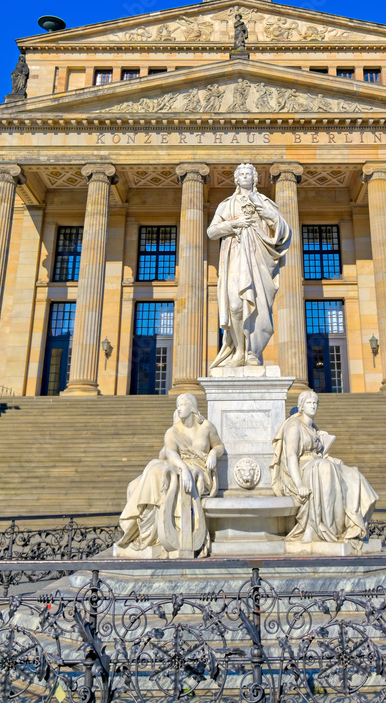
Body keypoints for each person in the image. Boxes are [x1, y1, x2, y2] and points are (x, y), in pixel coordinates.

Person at [117, 393, 224, 554]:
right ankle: (148, 534)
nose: (178, 408)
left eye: (181, 405)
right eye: (177, 405)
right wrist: (184, 469)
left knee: (158, 470)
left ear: (191, 407)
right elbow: (171, 453)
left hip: (200, 471)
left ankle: (169, 534)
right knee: (146, 475)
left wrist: (213, 454)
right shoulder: (172, 431)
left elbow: (219, 446)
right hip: (181, 467)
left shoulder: (206, 427)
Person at [207, 163, 290, 367]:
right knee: (235, 305)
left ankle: (252, 352)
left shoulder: (263, 201)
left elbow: (282, 228)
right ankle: (239, 352)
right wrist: (233, 224)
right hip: (235, 255)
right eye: (241, 174)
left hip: (258, 258)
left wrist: (263, 210)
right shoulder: (226, 204)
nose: (245, 177)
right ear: (236, 179)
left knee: (259, 306)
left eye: (248, 174)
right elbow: (211, 232)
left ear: (254, 178)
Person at [271, 390, 378, 544]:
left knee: (353, 474)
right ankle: (327, 529)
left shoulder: (314, 428)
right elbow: (291, 456)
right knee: (324, 467)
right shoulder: (294, 424)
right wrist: (299, 484)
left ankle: (352, 524)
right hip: (302, 468)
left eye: (315, 403)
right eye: (309, 402)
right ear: (301, 406)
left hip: (318, 462)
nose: (313, 406)